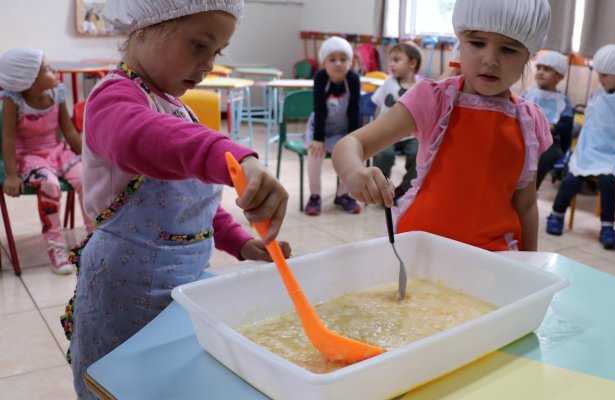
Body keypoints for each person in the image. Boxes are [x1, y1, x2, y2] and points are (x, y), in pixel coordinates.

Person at [62, 1, 290, 398]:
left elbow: (193, 202)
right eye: (198, 46)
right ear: (145, 29)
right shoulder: (114, 98)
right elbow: (144, 138)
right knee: (123, 378)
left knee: (165, 378)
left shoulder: (178, 109)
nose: (208, 65)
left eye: (216, 53)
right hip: (124, 285)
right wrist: (231, 156)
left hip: (183, 279)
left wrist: (240, 241)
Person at [332, 0, 552, 252]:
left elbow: (526, 206)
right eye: (477, 43)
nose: (490, 60)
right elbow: (351, 144)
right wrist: (353, 173)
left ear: (528, 55)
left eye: (509, 49)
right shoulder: (433, 99)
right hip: (420, 247)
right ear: (460, 43)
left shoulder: (529, 121)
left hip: (492, 258)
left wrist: (532, 266)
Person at [0, 47, 92, 274]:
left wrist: (88, 159)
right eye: (48, 69)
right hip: (29, 158)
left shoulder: (57, 92)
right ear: (29, 81)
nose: (54, 71)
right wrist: (11, 174)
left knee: (86, 178)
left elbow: (69, 132)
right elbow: (8, 139)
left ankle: (95, 239)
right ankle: (55, 247)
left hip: (58, 152)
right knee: (49, 184)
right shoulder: (13, 100)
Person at [543, 45, 615, 250]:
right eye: (599, 74)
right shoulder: (596, 95)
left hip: (612, 155)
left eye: (605, 75)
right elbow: (589, 124)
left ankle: (607, 227)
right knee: (571, 179)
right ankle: (556, 215)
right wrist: (577, 151)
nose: (601, 79)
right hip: (589, 151)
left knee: (608, 183)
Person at [304, 36, 362, 215]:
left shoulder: (353, 79)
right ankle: (315, 196)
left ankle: (343, 194)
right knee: (314, 155)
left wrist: (353, 140)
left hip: (343, 130)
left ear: (350, 62)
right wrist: (318, 139)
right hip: (319, 128)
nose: (338, 63)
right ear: (324, 63)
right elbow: (319, 108)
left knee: (351, 157)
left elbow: (354, 110)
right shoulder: (320, 78)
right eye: (332, 59)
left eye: (343, 59)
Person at [371, 42, 423, 201]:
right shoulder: (389, 82)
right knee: (384, 155)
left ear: (412, 63)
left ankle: (404, 189)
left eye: (396, 60)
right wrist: (374, 131)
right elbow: (378, 108)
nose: (391, 64)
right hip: (387, 132)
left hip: (410, 135)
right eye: (390, 60)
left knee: (419, 155)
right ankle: (381, 190)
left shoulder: (421, 87)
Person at [522, 50, 574, 190]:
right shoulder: (528, 94)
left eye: (547, 69)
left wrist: (551, 127)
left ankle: (530, 191)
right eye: (538, 67)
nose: (540, 72)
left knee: (541, 159)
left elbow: (567, 126)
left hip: (549, 142)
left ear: (559, 76)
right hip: (524, 136)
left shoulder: (563, 101)